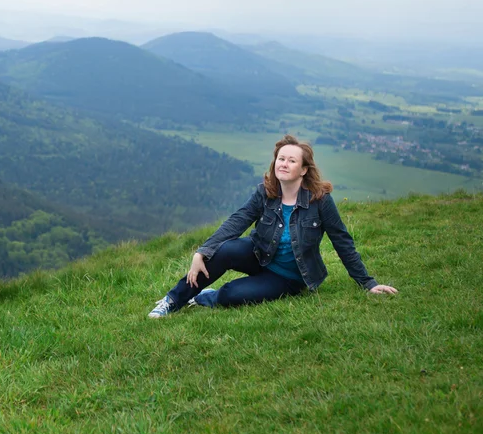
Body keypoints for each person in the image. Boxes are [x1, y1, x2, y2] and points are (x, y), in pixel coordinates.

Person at [148, 135, 397, 318]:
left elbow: (342, 242)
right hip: (260, 256)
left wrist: (368, 283)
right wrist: (202, 251)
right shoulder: (265, 193)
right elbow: (237, 221)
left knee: (230, 295)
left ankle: (206, 296)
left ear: (303, 170)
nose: (284, 164)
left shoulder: (319, 200)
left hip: (288, 277)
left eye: (291, 161)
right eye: (281, 159)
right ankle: (173, 300)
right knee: (224, 250)